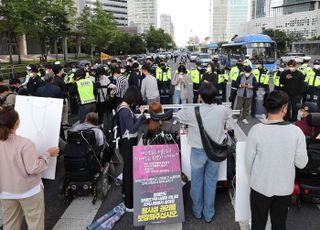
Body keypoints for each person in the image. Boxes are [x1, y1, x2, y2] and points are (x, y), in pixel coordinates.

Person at [245, 90, 308, 230]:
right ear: (284, 108)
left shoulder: (256, 130)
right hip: (284, 188)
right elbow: (301, 163)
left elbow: (248, 161)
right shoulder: (296, 132)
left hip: (260, 186)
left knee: (258, 223)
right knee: (279, 224)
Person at [176, 82, 232, 223]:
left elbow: (179, 116)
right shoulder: (222, 110)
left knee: (196, 182)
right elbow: (228, 116)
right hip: (215, 152)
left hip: (198, 151)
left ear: (200, 96)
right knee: (211, 182)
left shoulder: (192, 111)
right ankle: (209, 213)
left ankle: (197, 211)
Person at [0, 107, 59, 230]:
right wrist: (47, 154)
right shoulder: (25, 143)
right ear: (17, 123)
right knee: (34, 223)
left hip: (5, 190)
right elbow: (33, 168)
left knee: (10, 223)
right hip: (29, 190)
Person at [117, 86, 146, 212]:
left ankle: (125, 192)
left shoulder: (124, 107)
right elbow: (133, 128)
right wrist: (142, 117)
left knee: (127, 170)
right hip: (128, 143)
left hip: (126, 143)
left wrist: (138, 112)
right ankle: (129, 204)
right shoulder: (124, 111)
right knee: (129, 173)